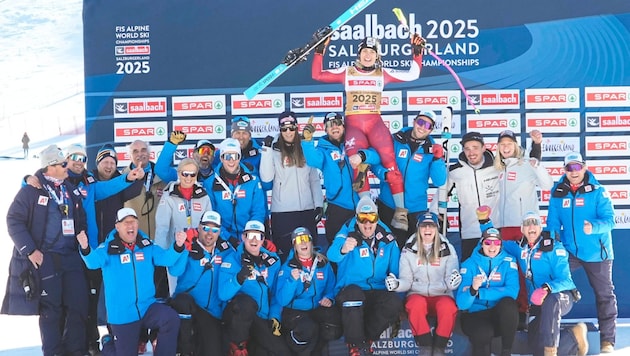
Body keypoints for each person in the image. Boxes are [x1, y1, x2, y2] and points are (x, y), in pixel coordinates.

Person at [312, 32, 426, 231]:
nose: (367, 55)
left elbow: (413, 74)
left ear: (377, 56)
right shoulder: (348, 72)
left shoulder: (382, 73)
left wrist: (417, 53)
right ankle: (366, 206)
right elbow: (317, 74)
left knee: (390, 162)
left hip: (375, 123)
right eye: (364, 51)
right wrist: (320, 51)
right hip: (354, 124)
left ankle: (400, 211)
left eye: (371, 52)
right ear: (359, 53)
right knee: (355, 161)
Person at [3, 145, 89, 356]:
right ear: (50, 167)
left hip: (70, 256)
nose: (67, 165)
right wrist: (30, 251)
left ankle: (76, 351)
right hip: (46, 258)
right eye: (62, 163)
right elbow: (13, 220)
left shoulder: (69, 188)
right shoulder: (31, 190)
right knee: (52, 311)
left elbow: (80, 217)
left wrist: (82, 235)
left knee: (78, 306)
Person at [77, 207, 187, 356]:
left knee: (170, 318)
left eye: (133, 222)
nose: (130, 226)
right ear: (117, 227)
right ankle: (109, 343)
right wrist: (85, 248)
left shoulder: (147, 245)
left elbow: (165, 258)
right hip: (123, 314)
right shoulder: (108, 248)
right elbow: (93, 262)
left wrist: (178, 246)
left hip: (147, 306)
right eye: (126, 222)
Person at [546, 151, 617, 354]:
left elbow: (610, 220)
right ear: (564, 171)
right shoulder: (558, 192)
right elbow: (552, 222)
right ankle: (550, 336)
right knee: (552, 284)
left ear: (584, 168)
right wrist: (551, 240)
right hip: (570, 251)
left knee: (604, 295)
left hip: (598, 253)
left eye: (577, 167)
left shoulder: (598, 190)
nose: (574, 171)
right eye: (569, 168)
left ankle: (607, 342)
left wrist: (593, 228)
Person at [493, 211, 589, 356]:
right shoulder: (520, 248)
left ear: (540, 227)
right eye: (527, 224)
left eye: (535, 223)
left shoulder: (554, 248)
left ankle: (551, 351)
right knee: (536, 348)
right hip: (537, 304)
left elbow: (567, 280)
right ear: (522, 229)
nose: (531, 227)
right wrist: (485, 223)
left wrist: (547, 288)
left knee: (551, 301)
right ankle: (573, 336)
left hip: (560, 297)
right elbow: (494, 243)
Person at [491, 129, 552, 329]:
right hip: (503, 228)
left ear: (516, 146)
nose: (506, 147)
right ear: (498, 147)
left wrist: (537, 162)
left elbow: (547, 184)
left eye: (509, 143)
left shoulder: (526, 163)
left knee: (529, 270)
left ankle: (533, 311)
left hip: (524, 227)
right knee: (511, 272)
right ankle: (516, 314)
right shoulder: (496, 168)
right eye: (502, 144)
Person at [327, 196, 402, 355]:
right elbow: (331, 255)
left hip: (376, 289)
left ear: (377, 218)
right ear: (357, 218)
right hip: (350, 289)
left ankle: (365, 341)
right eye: (362, 218)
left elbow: (396, 269)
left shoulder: (387, 237)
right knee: (353, 294)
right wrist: (343, 249)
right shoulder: (347, 230)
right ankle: (355, 344)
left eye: (371, 218)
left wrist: (394, 280)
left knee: (393, 301)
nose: (367, 224)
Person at [89, 143, 145, 354]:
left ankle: (115, 335)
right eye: (105, 162)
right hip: (93, 248)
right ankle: (93, 339)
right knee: (92, 296)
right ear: (98, 163)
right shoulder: (89, 180)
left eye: (113, 162)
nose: (109, 166)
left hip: (114, 249)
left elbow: (133, 188)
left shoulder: (118, 182)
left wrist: (138, 175)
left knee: (114, 294)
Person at [387, 212, 460, 356]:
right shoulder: (409, 249)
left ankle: (439, 348)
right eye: (424, 226)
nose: (427, 229)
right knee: (415, 304)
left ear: (437, 228)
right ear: (418, 228)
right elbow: (406, 281)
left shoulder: (447, 248)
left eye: (431, 225)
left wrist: (453, 283)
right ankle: (425, 347)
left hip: (441, 293)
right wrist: (396, 285)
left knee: (447, 306)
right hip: (417, 293)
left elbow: (452, 278)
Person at [370, 110, 447, 245]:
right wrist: (385, 175)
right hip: (389, 205)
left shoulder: (431, 150)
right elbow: (375, 164)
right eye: (421, 122)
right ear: (414, 121)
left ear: (431, 130)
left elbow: (439, 181)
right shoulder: (394, 140)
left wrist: (438, 159)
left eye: (428, 125)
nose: (422, 127)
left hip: (415, 209)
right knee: (389, 248)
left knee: (414, 251)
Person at [122, 139, 169, 352]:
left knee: (159, 291)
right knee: (136, 294)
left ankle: (157, 335)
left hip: (157, 245)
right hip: (133, 245)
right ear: (129, 156)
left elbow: (189, 173)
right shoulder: (121, 178)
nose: (140, 154)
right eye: (135, 151)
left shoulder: (161, 177)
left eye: (143, 150)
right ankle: (139, 337)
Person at [169, 210, 235, 356]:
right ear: (199, 227)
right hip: (188, 306)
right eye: (206, 228)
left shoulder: (226, 251)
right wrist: (183, 249)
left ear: (219, 231)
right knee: (183, 303)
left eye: (215, 229)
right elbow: (174, 271)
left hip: (211, 313)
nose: (209, 233)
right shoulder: (189, 246)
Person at [218, 220, 289, 356]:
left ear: (263, 240)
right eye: (250, 235)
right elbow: (223, 294)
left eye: (258, 236)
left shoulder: (272, 261)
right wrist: (239, 277)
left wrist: (274, 316)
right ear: (243, 237)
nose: (254, 240)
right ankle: (237, 347)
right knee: (245, 302)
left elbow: (275, 293)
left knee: (280, 351)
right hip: (236, 319)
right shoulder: (231, 260)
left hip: (260, 317)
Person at [260, 111, 324, 258]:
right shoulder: (274, 148)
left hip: (306, 211)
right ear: (280, 130)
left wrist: (318, 204)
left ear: (296, 127)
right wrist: (266, 151)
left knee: (308, 255)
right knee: (284, 257)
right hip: (283, 213)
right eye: (284, 129)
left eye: (291, 128)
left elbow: (313, 179)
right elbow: (266, 177)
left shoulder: (305, 146)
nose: (288, 132)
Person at [276, 227, 342, 355]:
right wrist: (292, 281)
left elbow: (332, 287)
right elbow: (282, 300)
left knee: (333, 323)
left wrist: (329, 298)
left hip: (316, 308)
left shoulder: (322, 263)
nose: (303, 243)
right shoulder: (288, 267)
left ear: (312, 242)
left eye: (306, 239)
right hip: (295, 311)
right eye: (299, 240)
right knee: (308, 328)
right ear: (294, 245)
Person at [456, 228, 519, 356]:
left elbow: (512, 291)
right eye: (488, 243)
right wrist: (473, 290)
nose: (492, 247)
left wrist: (481, 293)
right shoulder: (469, 264)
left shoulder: (509, 262)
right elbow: (462, 304)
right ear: (481, 244)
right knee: (483, 333)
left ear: (501, 245)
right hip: (475, 315)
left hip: (497, 315)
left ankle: (506, 352)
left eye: (496, 243)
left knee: (509, 305)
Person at [301, 112, 362, 245]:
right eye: (330, 125)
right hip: (337, 208)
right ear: (325, 129)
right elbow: (312, 160)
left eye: (338, 124)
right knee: (337, 246)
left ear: (344, 126)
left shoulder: (355, 143)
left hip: (360, 205)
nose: (335, 127)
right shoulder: (323, 149)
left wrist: (364, 155)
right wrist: (307, 141)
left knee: (360, 248)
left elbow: (374, 156)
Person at [154, 158, 212, 294]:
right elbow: (162, 228)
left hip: (198, 250)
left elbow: (209, 224)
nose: (189, 178)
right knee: (176, 291)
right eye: (185, 174)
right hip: (177, 251)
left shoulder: (204, 197)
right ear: (179, 174)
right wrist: (161, 254)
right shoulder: (168, 196)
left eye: (193, 174)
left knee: (198, 289)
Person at [204, 138, 267, 246]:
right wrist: (227, 237)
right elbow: (211, 214)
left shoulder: (253, 180)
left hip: (249, 237)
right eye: (227, 156)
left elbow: (258, 211)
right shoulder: (210, 183)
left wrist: (250, 234)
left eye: (235, 156)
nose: (231, 161)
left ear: (239, 158)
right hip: (221, 237)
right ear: (221, 158)